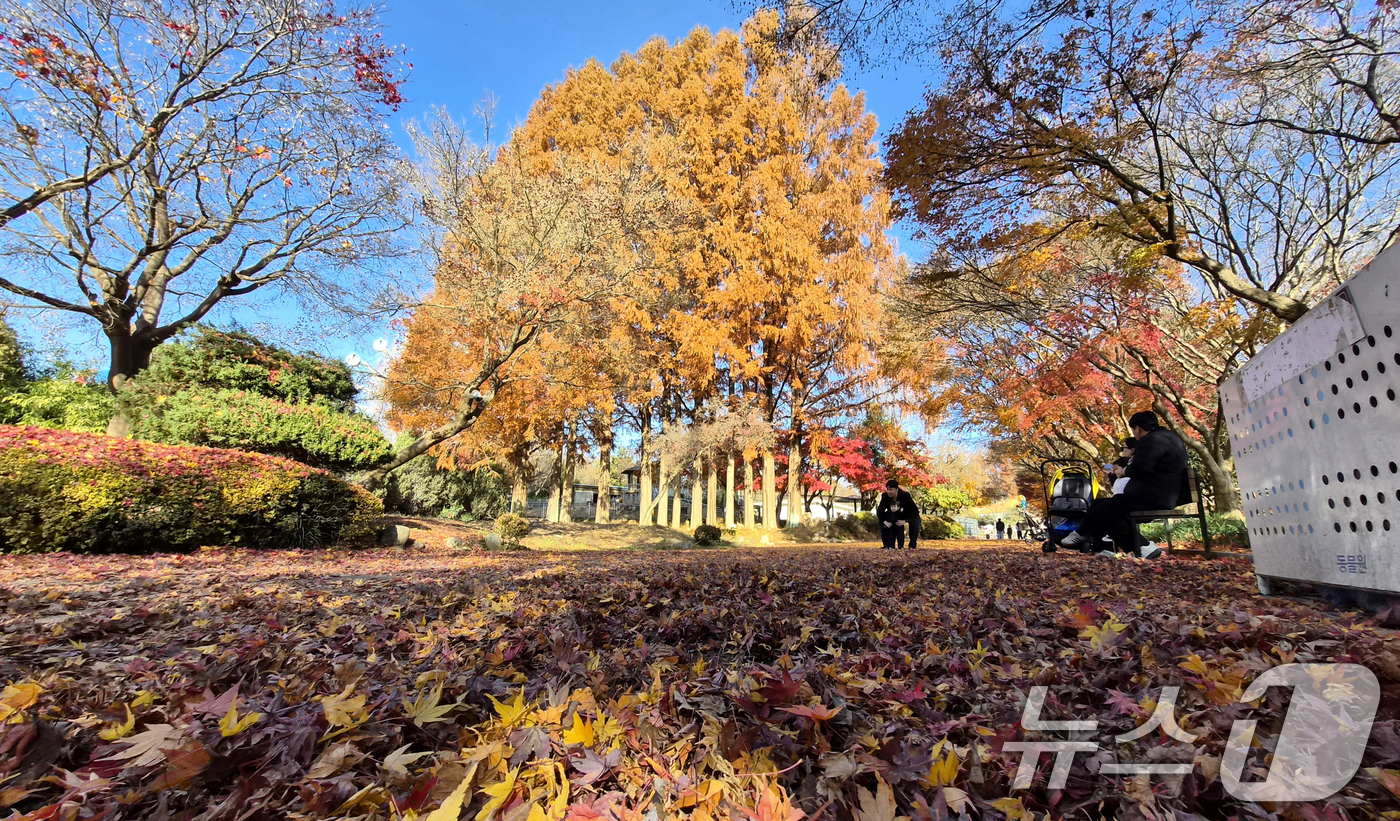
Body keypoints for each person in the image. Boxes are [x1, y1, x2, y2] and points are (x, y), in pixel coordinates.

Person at [1061, 411, 1186, 560]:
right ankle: (1138, 547)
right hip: (1162, 494)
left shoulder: (1151, 440)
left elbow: (1141, 467)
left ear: (1137, 428)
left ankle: (1089, 536)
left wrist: (1125, 470)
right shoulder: (1170, 437)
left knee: (1104, 511)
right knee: (1099, 505)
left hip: (1153, 497)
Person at [876, 479, 921, 549]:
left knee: (915, 520)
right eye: (887, 489)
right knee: (881, 521)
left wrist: (905, 520)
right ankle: (887, 545)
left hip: (905, 514)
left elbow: (914, 511)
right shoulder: (885, 496)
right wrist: (884, 521)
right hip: (892, 515)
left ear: (897, 489)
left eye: (891, 490)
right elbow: (880, 511)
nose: (889, 492)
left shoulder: (905, 495)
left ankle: (912, 544)